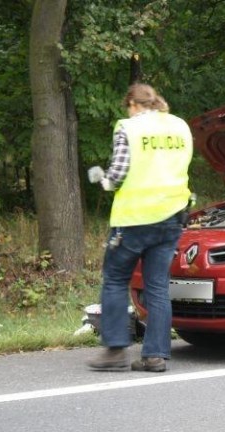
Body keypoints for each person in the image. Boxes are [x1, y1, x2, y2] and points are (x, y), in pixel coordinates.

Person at [86, 83, 193, 372]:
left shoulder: (129, 128)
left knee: (115, 279)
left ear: (133, 104)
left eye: (128, 107)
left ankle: (116, 351)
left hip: (134, 219)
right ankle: (155, 355)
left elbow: (118, 174)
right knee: (157, 286)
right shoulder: (180, 126)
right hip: (172, 216)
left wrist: (103, 180)